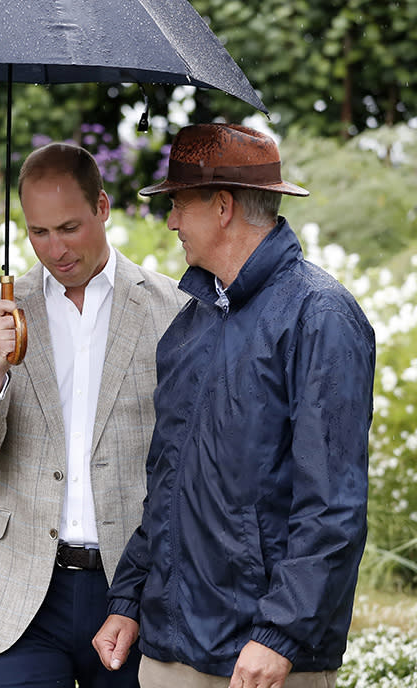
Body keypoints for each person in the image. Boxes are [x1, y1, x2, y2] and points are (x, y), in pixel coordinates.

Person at [93, 123, 375, 688]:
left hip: (262, 658)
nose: (170, 221)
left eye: (178, 204)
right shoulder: (190, 323)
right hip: (171, 647)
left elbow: (332, 508)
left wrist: (282, 636)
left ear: (221, 206)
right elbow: (167, 485)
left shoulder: (320, 317)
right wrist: (128, 597)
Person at [0, 142, 188, 687]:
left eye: (69, 227)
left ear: (102, 207)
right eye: (38, 232)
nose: (55, 249)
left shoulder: (172, 309)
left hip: (135, 589)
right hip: (23, 594)